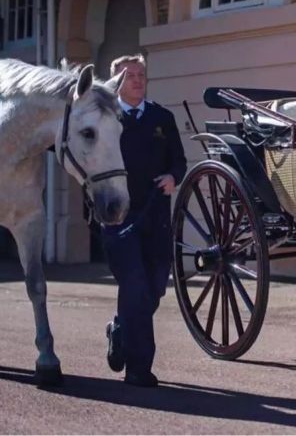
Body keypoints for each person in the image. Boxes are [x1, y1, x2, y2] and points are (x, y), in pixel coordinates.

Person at [100, 54, 186, 387]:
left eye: (140, 74)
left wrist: (173, 177)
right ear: (116, 83)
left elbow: (178, 159)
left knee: (153, 288)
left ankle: (120, 328)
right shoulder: (105, 119)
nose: (137, 80)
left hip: (156, 219)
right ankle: (139, 369)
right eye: (129, 75)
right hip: (119, 218)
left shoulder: (162, 117)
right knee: (134, 285)